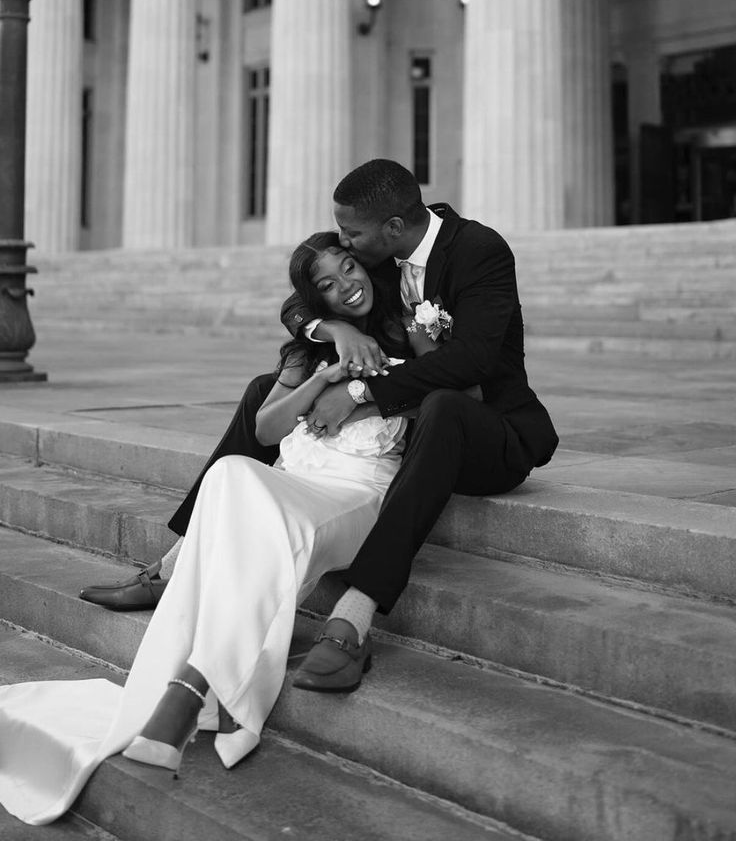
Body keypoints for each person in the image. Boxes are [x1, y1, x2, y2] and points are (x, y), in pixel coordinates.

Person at [82, 159, 558, 694]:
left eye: (352, 233)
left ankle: (354, 619)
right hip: (420, 417)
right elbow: (300, 300)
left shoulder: (478, 251)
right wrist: (331, 327)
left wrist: (359, 392)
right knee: (269, 386)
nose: (345, 244)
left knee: (444, 405)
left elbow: (471, 360)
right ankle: (176, 563)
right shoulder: (382, 256)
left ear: (393, 228)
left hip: (490, 431)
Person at [0, 232, 410, 826]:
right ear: (314, 299)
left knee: (257, 525)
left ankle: (187, 686)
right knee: (232, 474)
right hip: (292, 482)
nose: (347, 285)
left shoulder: (412, 333)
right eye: (327, 283)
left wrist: (357, 389)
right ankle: (199, 686)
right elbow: (267, 431)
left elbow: (443, 392)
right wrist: (323, 376)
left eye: (350, 267)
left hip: (354, 494)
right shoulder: (307, 347)